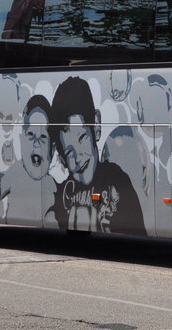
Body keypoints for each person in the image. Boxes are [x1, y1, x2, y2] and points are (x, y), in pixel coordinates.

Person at [48, 76, 146, 235]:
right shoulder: (63, 194)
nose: (79, 158)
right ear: (61, 159)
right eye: (69, 152)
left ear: (97, 127)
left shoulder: (116, 180)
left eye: (82, 138)